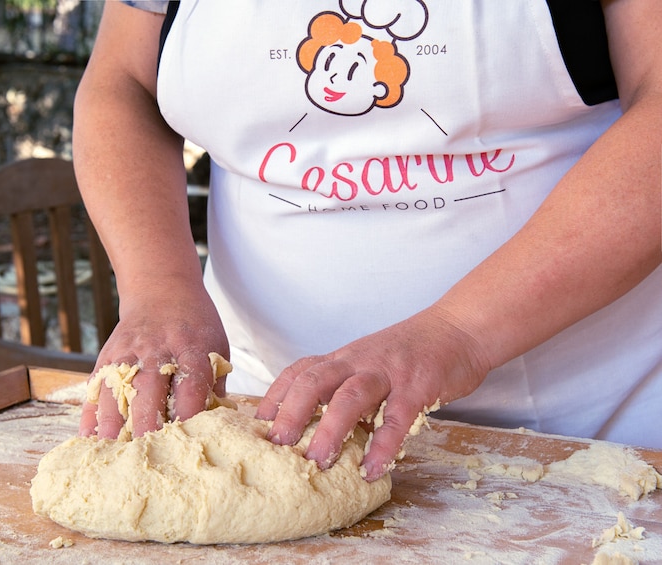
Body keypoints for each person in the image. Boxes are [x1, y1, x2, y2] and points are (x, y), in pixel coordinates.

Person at [75, 0, 662, 481]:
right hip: (272, 429)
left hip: (585, 440)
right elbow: (123, 84)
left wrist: (458, 333)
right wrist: (158, 288)